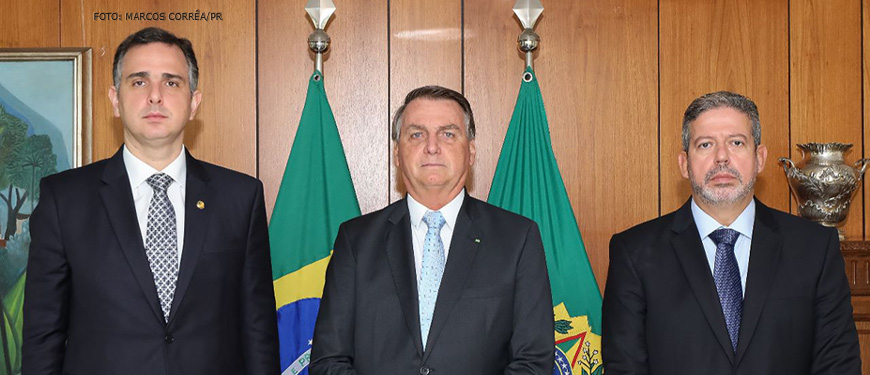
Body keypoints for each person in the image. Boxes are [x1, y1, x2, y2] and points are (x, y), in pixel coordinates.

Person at [22, 27, 279, 375]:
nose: (155, 96)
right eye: (139, 82)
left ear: (193, 102)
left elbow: (258, 331)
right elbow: (43, 337)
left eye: (171, 82)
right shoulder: (64, 199)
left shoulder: (240, 197)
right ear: (115, 99)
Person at [602, 91, 861, 374]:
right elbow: (625, 368)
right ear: (684, 164)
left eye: (736, 142)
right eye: (705, 145)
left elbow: (838, 365)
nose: (721, 157)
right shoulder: (634, 253)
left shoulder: (813, 249)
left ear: (760, 157)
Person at [309, 86, 554, 374]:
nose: (432, 146)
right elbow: (329, 361)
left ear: (471, 151)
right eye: (417, 134)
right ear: (398, 153)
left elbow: (533, 361)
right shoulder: (356, 241)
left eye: (448, 134)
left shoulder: (517, 239)